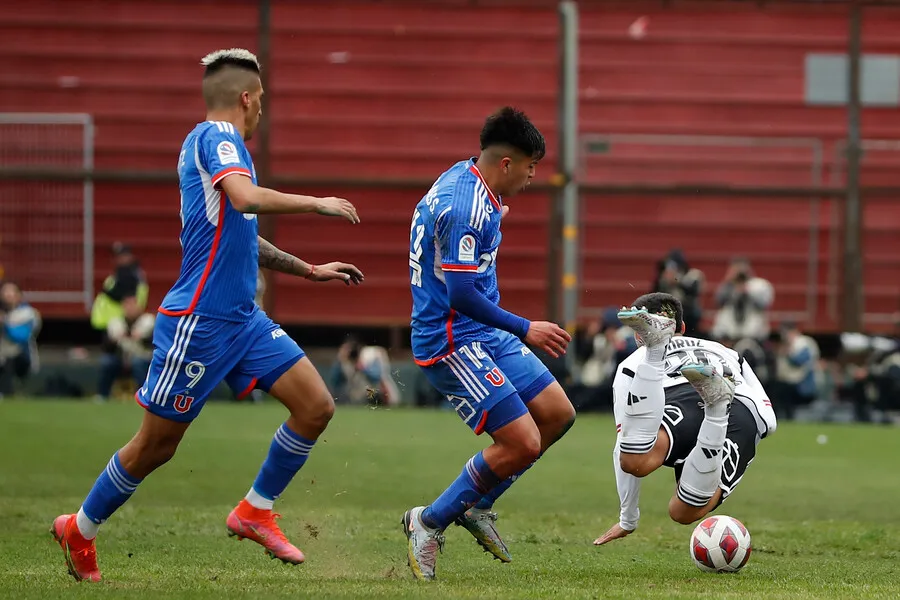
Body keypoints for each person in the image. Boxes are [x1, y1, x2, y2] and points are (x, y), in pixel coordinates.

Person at [51, 48, 364, 583]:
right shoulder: (216, 138)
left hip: (243, 320)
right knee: (156, 446)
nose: (263, 109)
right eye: (261, 99)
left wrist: (309, 270)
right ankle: (80, 528)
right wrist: (317, 203)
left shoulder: (227, 148)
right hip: (200, 322)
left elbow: (241, 232)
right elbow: (243, 200)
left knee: (315, 406)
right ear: (246, 98)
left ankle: (254, 511)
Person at [402, 107, 576, 581]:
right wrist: (526, 327)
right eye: (529, 167)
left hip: (482, 332)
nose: (532, 176)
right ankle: (428, 521)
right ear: (506, 163)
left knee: (558, 414)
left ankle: (477, 505)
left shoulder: (469, 179)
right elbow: (460, 292)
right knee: (521, 442)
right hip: (451, 340)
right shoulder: (466, 206)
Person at [593, 293, 777, 547]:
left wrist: (628, 519)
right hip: (739, 406)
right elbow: (763, 403)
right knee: (683, 512)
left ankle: (656, 351)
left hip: (676, 395)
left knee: (635, 460)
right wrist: (760, 426)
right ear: (683, 327)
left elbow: (623, 444)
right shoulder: (726, 351)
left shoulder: (632, 361)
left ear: (639, 333)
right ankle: (716, 410)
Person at [96, 296, 155, 402]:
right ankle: (102, 395)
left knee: (138, 362)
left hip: (143, 356)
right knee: (107, 362)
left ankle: (144, 396)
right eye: (127, 305)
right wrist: (114, 340)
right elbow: (106, 347)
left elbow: (155, 343)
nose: (130, 308)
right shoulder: (116, 322)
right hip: (122, 357)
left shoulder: (148, 320)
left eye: (132, 305)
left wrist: (142, 338)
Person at [90, 243, 149, 331]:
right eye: (117, 256)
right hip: (104, 323)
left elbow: (134, 304)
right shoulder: (114, 277)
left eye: (123, 256)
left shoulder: (134, 279)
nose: (119, 259)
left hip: (118, 324)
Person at [0, 281, 41, 397]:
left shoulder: (27, 313)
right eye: (5, 291)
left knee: (8, 357)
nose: (7, 294)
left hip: (22, 358)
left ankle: (5, 393)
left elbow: (21, 336)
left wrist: (4, 324)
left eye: (11, 291)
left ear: (19, 295)